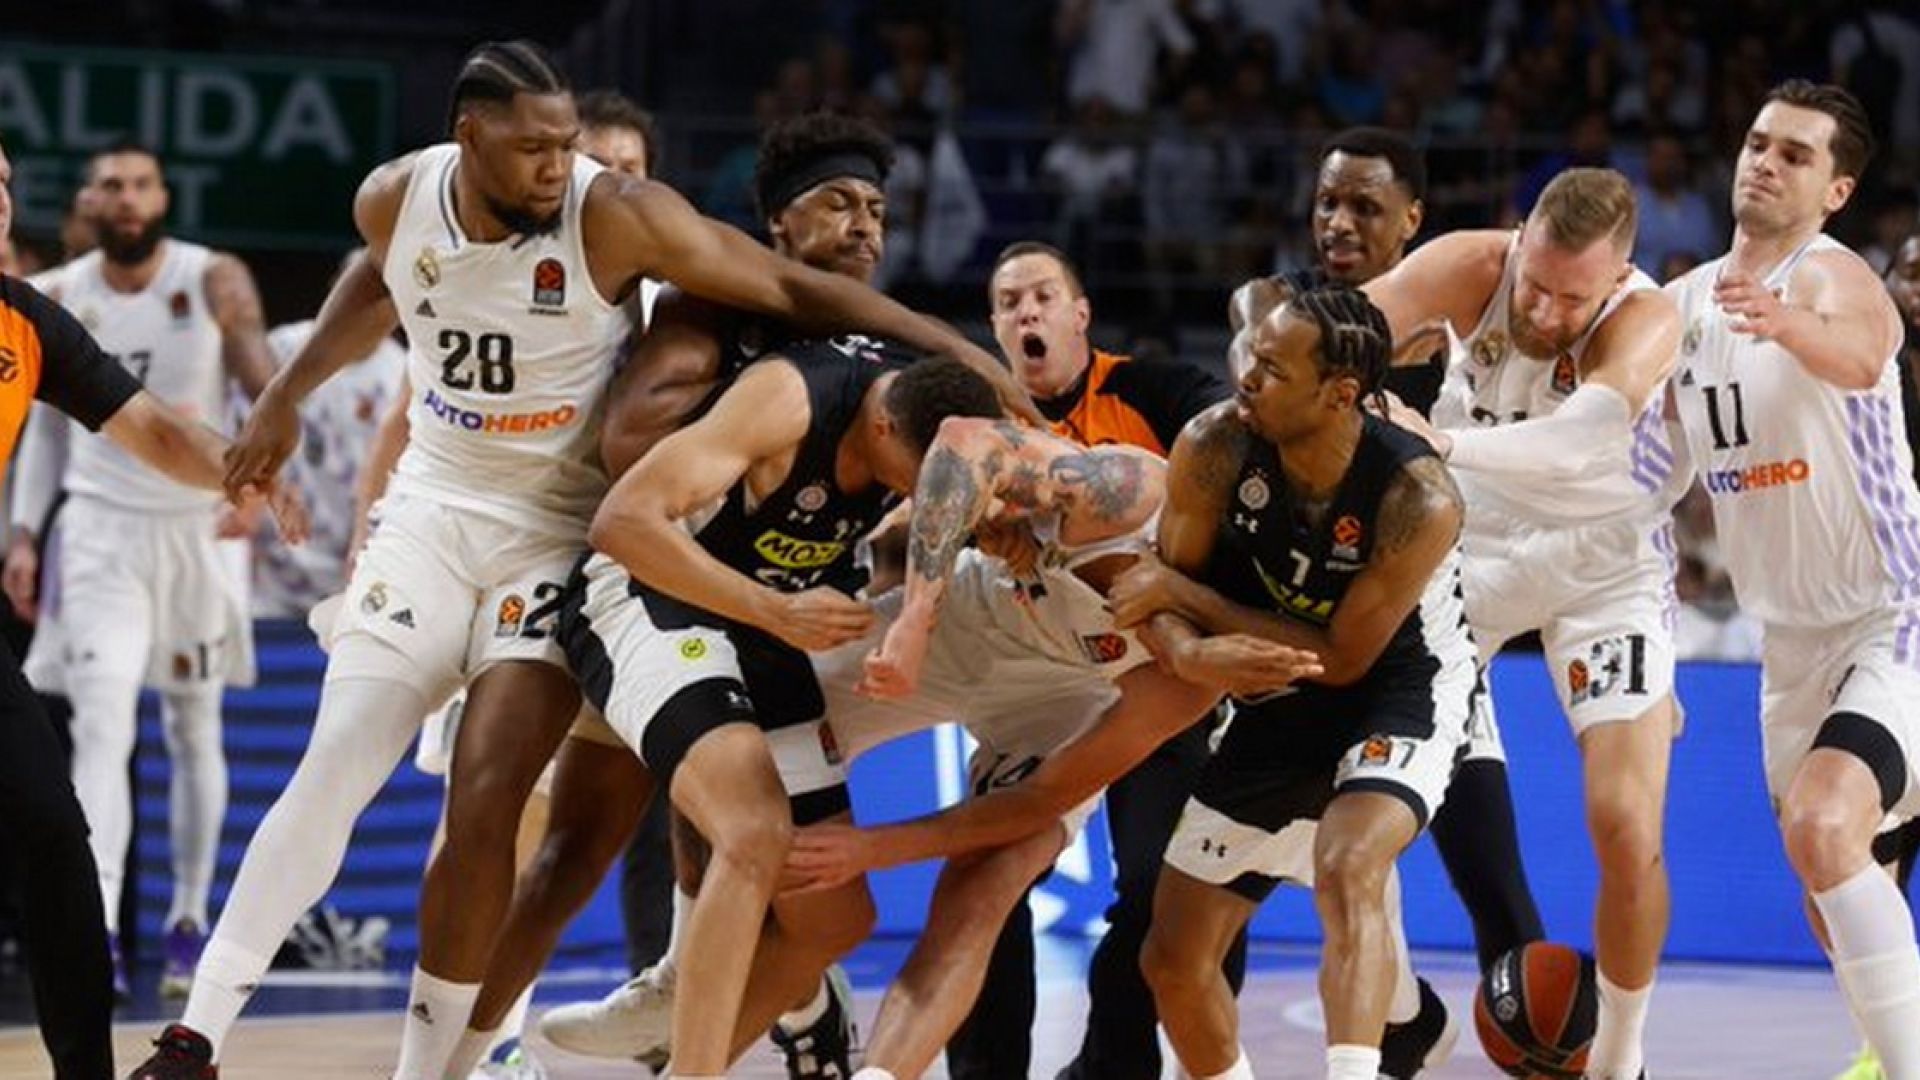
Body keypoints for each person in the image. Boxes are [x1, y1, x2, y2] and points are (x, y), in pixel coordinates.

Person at [128, 40, 1031, 1080]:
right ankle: (249, 1040)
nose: (565, 169)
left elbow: (815, 316)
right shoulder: (428, 206)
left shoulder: (678, 249)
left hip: (637, 567)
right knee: (419, 787)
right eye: (541, 149)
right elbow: (398, 284)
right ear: (470, 138)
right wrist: (287, 392)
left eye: (575, 149)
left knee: (617, 828)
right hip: (546, 549)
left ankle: (683, 1006)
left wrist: (964, 364)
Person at [451, 109, 910, 1080]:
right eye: (838, 204)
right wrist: (769, 420)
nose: (863, 226)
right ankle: (463, 1052)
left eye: (876, 210)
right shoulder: (709, 303)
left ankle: (752, 999)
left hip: (785, 616)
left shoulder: (879, 353)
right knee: (576, 846)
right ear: (778, 224)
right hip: (642, 580)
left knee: (793, 867)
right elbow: (629, 449)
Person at [771, 418, 1310, 1080]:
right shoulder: (1127, 491)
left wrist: (872, 849)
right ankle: (797, 1005)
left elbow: (1040, 799)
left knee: (989, 879)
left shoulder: (1194, 675)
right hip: (963, 617)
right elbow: (964, 437)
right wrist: (913, 617)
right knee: (739, 734)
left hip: (1064, 697)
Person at [1363, 167, 1687, 1080]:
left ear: (1617, 275)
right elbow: (1345, 334)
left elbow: (1581, 439)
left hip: (1603, 569)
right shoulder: (1472, 264)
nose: (1543, 311)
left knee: (1625, 824)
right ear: (1520, 239)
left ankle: (1619, 1057)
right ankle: (1400, 1013)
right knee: (1356, 780)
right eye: (1534, 284)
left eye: (1570, 297)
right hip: (1468, 550)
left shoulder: (1646, 319)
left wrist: (1443, 440)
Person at [1118, 287, 1478, 1080]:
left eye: (1274, 369)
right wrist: (1186, 653)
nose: (1246, 378)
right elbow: (1154, 591)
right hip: (1279, 700)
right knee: (1171, 958)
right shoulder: (1215, 445)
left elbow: (1342, 658)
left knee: (1348, 865)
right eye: (1253, 356)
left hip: (1398, 690)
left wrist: (1193, 606)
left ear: (1340, 394)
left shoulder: (1417, 496)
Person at [0, 134, 300, 1080]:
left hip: (179, 539)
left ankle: (101, 1043)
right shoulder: (70, 287)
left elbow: (156, 427)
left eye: (3, 183)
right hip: (101, 539)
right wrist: (30, 532)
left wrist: (245, 468)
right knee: (97, 736)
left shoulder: (28, 320)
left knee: (54, 828)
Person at [1231, 128, 1549, 976]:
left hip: (1422, 639)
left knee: (1499, 896)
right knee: (1215, 898)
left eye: (1364, 206)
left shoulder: (1459, 338)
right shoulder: (1273, 306)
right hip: (1300, 636)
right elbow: (1247, 367)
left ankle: (1539, 1039)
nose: (1338, 221)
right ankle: (1396, 1026)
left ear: (1413, 219)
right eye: (1327, 202)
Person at [1667, 79, 1920, 1080]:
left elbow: (1860, 358)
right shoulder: (1684, 304)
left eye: (1796, 154)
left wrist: (1786, 325)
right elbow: (1642, 470)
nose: (1766, 162)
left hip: (1891, 614)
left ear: (1836, 190)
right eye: (1759, 142)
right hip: (1788, 643)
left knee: (1824, 823)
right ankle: (1889, 1050)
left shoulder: (1834, 278)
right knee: (1831, 886)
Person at [956, 238, 1236, 1080]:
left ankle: (1109, 1069)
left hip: (1151, 674)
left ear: (1080, 314)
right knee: (985, 879)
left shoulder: (1153, 390)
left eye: (1043, 296)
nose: (1027, 312)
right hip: (1039, 683)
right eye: (1009, 302)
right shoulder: (978, 424)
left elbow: (1229, 450)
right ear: (995, 327)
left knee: (1161, 892)